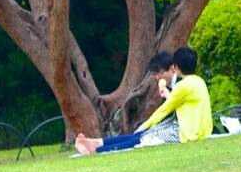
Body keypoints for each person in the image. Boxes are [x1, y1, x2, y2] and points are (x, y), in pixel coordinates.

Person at [74, 48, 213, 155]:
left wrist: (145, 125)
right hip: (195, 129)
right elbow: (180, 103)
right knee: (141, 135)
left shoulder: (183, 85)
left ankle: (98, 150)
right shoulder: (198, 81)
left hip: (188, 133)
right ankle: (96, 143)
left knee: (143, 137)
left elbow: (165, 110)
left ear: (175, 67)